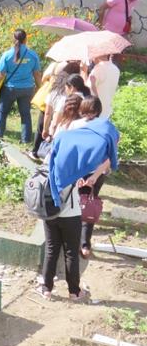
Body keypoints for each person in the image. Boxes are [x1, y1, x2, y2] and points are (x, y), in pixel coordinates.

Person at [40, 115, 119, 301]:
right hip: (71, 213)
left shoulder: (56, 155)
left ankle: (46, 289)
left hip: (50, 210)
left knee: (51, 250)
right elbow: (105, 160)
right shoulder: (80, 165)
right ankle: (74, 292)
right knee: (70, 252)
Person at [71, 96, 106, 258]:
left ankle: (85, 242)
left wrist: (95, 175)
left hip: (97, 171)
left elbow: (109, 156)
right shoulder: (76, 125)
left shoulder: (105, 127)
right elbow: (71, 152)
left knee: (89, 205)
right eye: (85, 112)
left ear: (98, 112)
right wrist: (76, 174)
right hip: (77, 170)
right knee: (73, 205)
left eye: (92, 112)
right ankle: (73, 240)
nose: (88, 116)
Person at [0, 29, 41, 143]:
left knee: (2, 112)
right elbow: (37, 74)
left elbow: (1, 74)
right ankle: (26, 140)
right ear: (26, 39)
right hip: (27, 89)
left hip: (10, 89)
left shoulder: (7, 55)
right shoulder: (33, 55)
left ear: (13, 39)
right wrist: (39, 87)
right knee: (25, 114)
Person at [83, 55, 120, 120]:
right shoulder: (115, 69)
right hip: (107, 108)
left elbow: (86, 89)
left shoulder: (98, 68)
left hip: (95, 110)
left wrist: (84, 72)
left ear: (97, 56)